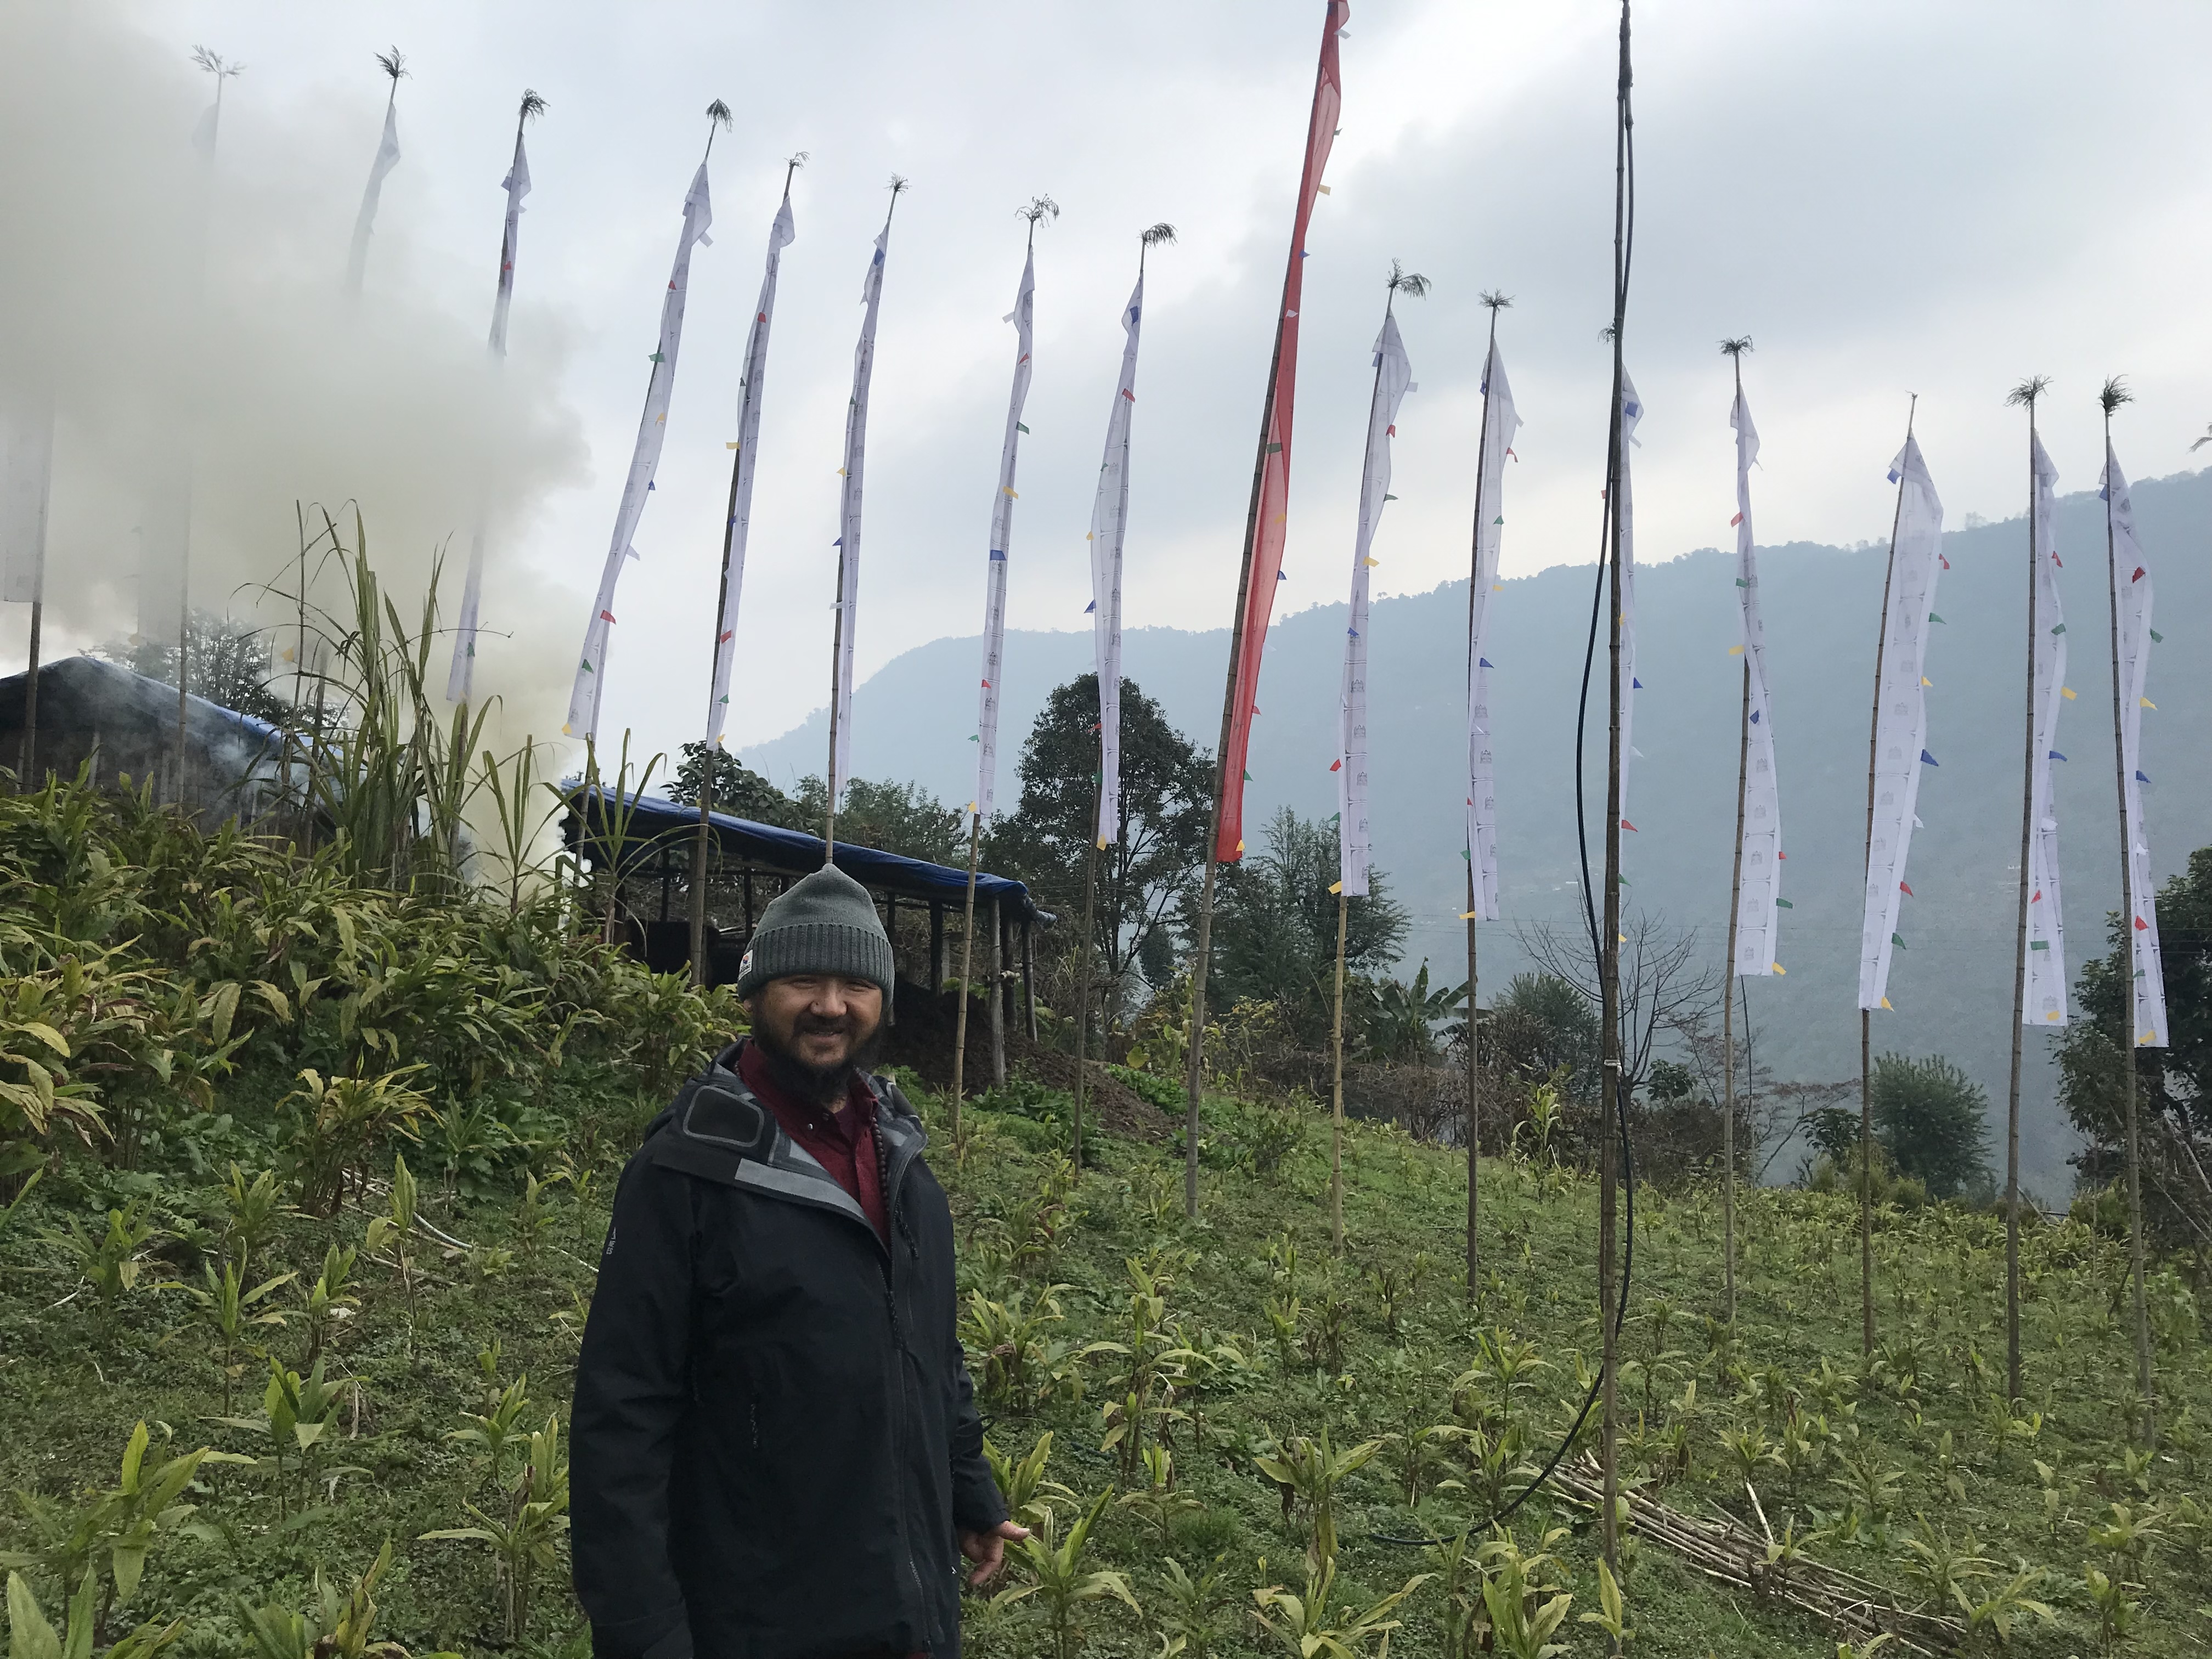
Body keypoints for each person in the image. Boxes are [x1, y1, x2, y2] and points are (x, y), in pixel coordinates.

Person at [572, 864, 1022, 1659]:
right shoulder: (688, 1171)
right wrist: (640, 1632)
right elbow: (622, 1418)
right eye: (803, 979)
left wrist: (969, 1490)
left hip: (906, 1610)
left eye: (855, 982)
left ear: (883, 999)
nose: (831, 1005)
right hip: (761, 1617)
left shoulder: (902, 1163)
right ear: (754, 995)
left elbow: (929, 1350)